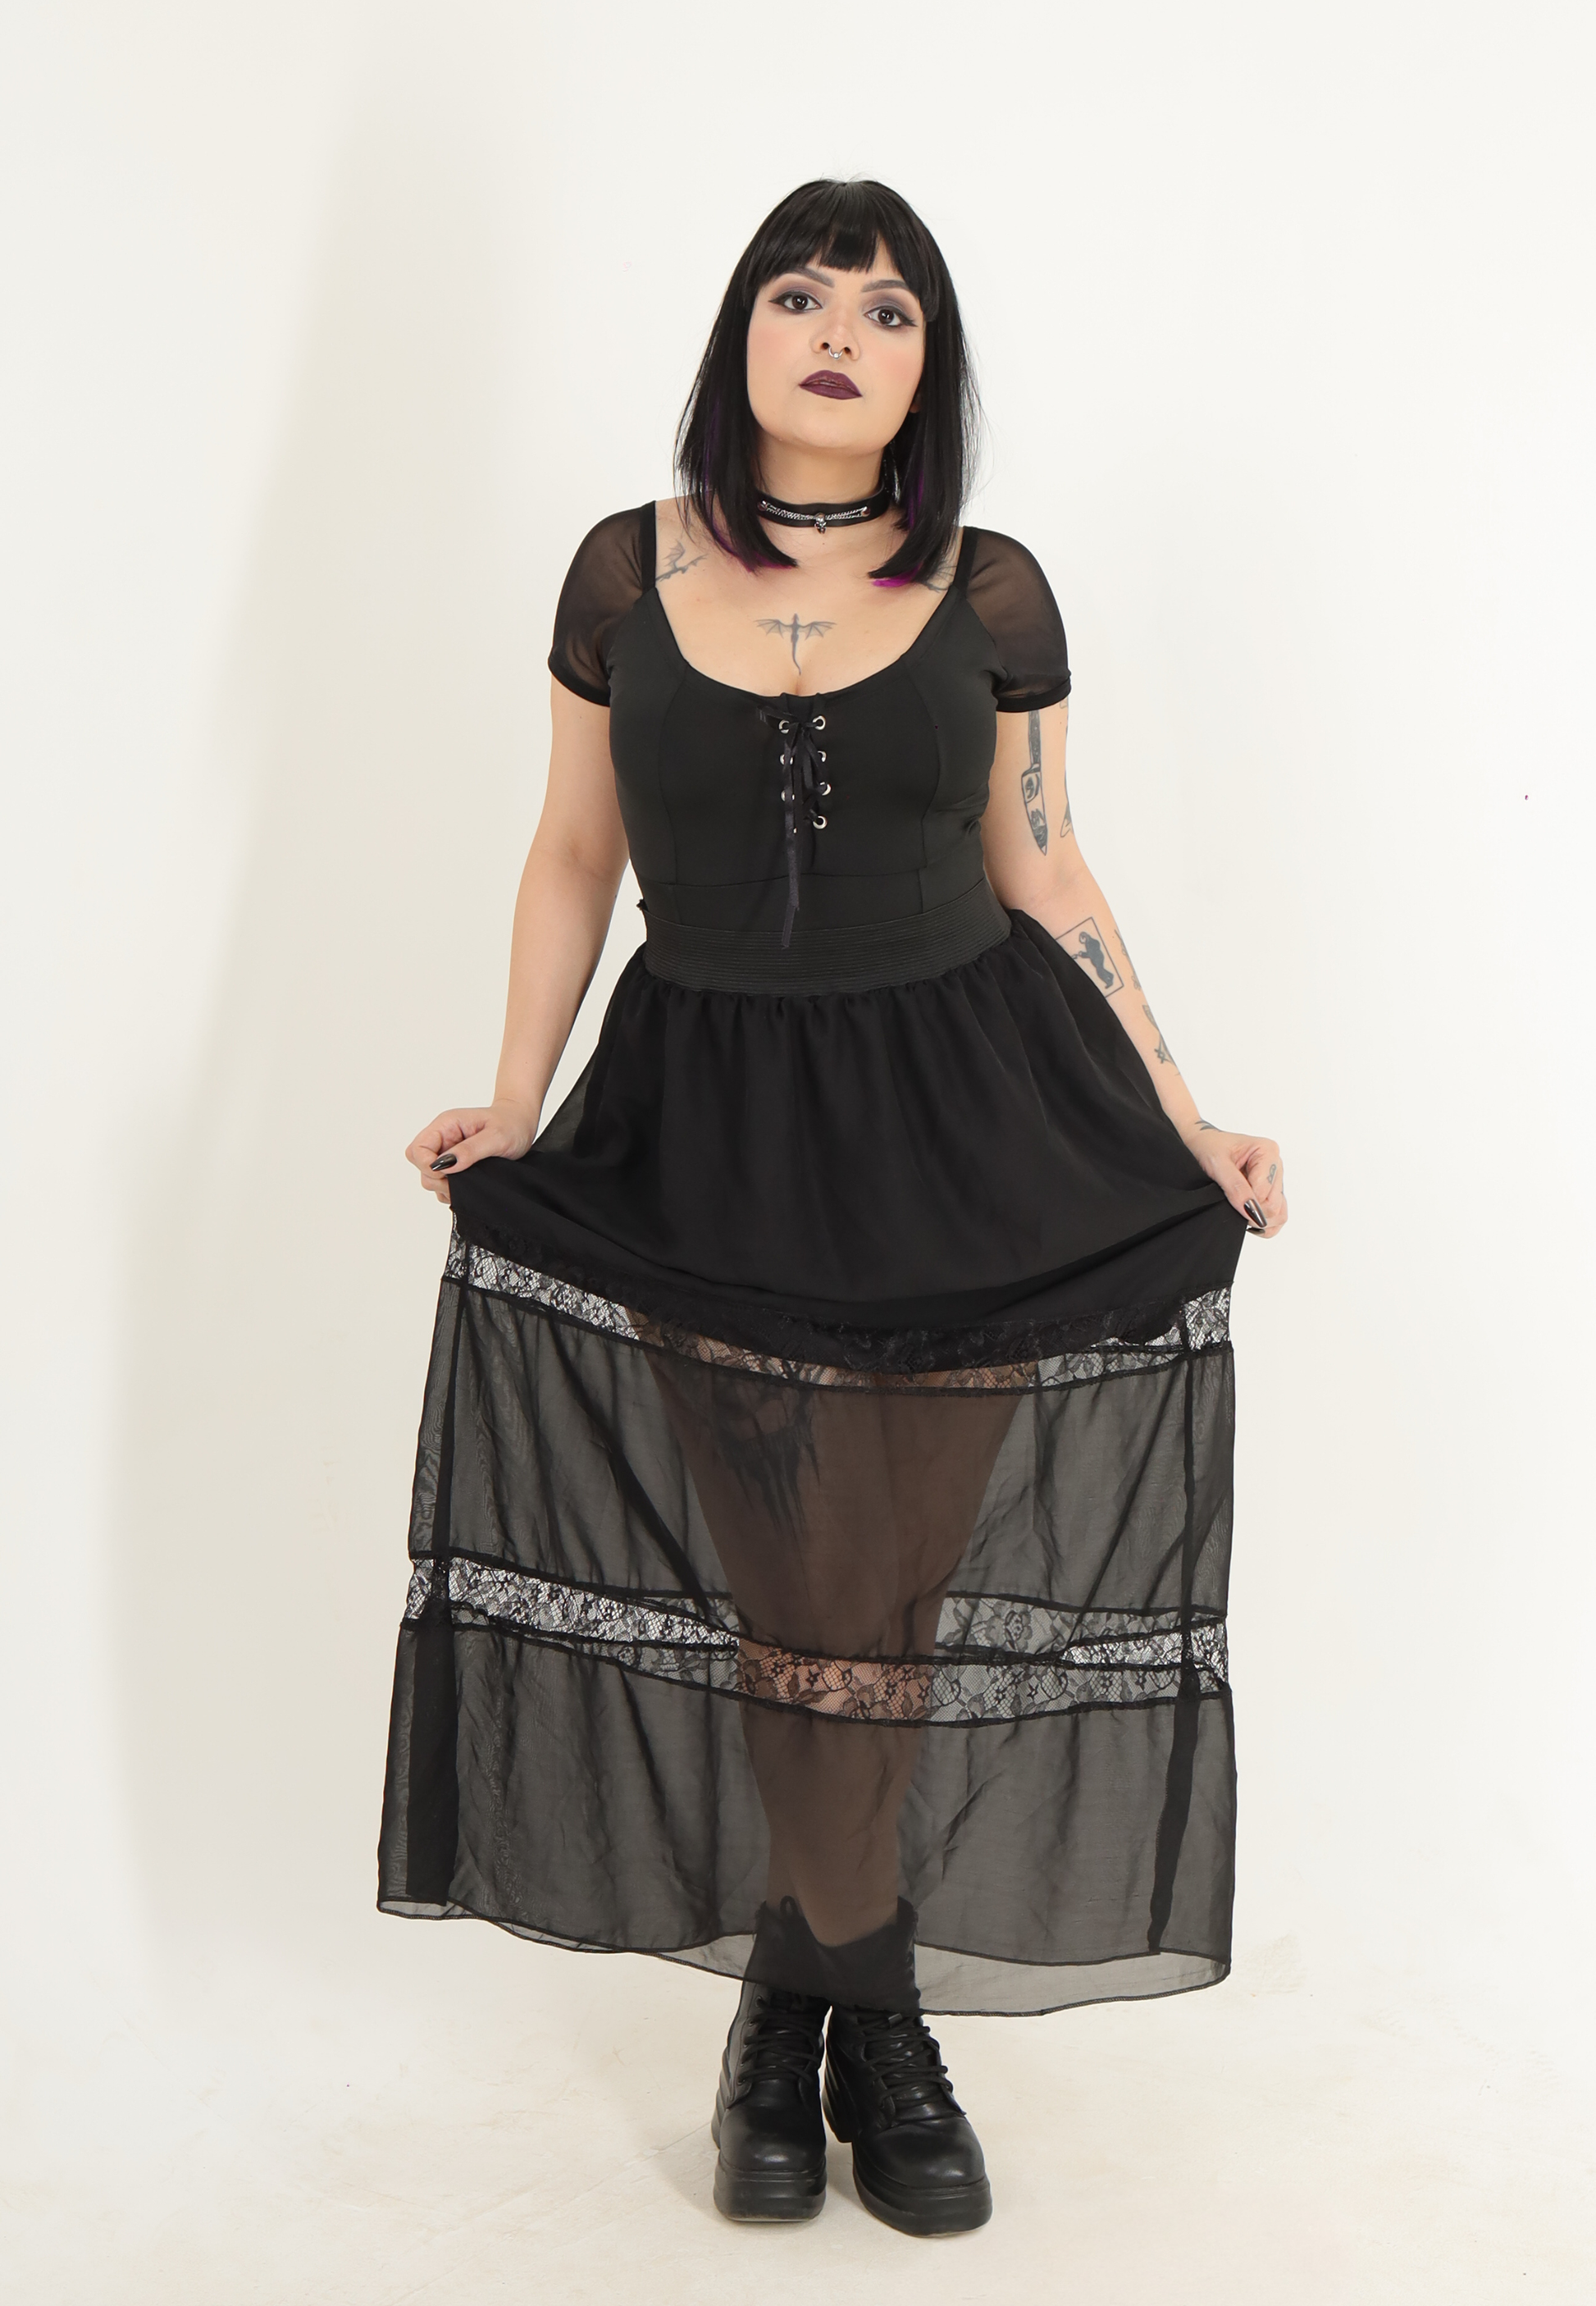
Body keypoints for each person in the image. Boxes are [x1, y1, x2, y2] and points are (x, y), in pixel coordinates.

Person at [380, 177, 1286, 2239]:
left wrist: (1184, 1116)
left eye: (886, 313)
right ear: (742, 335)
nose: (838, 335)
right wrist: (513, 1101)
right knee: (796, 1593)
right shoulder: (622, 574)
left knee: (881, 1608)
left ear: (924, 373)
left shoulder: (990, 591)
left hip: (972, 1134)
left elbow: (1047, 868)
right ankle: (854, 2009)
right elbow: (572, 852)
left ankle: (815, 2014)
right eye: (801, 295)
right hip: (705, 1134)